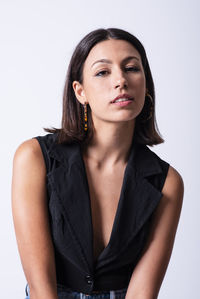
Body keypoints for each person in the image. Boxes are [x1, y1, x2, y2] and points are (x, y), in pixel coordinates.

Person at [11, 28, 184, 299]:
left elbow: (143, 293)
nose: (121, 80)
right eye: (103, 72)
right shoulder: (34, 158)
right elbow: (40, 286)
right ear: (80, 92)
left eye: (131, 68)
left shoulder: (167, 182)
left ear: (146, 85)